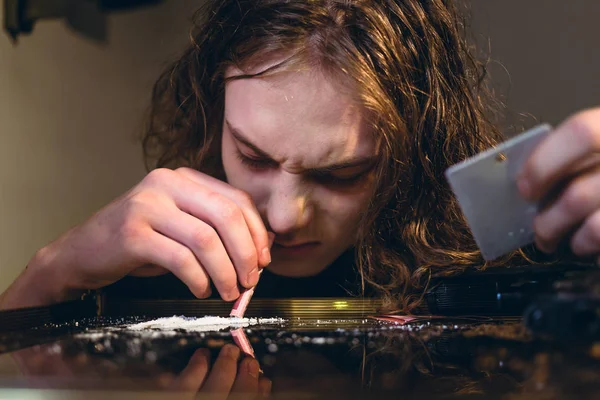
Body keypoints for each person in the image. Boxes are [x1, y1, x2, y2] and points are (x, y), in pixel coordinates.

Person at [2, 0, 600, 313]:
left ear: (414, 149)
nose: (285, 218)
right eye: (253, 157)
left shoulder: (500, 264)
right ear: (212, 111)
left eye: (341, 174)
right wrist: (55, 271)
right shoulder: (148, 269)